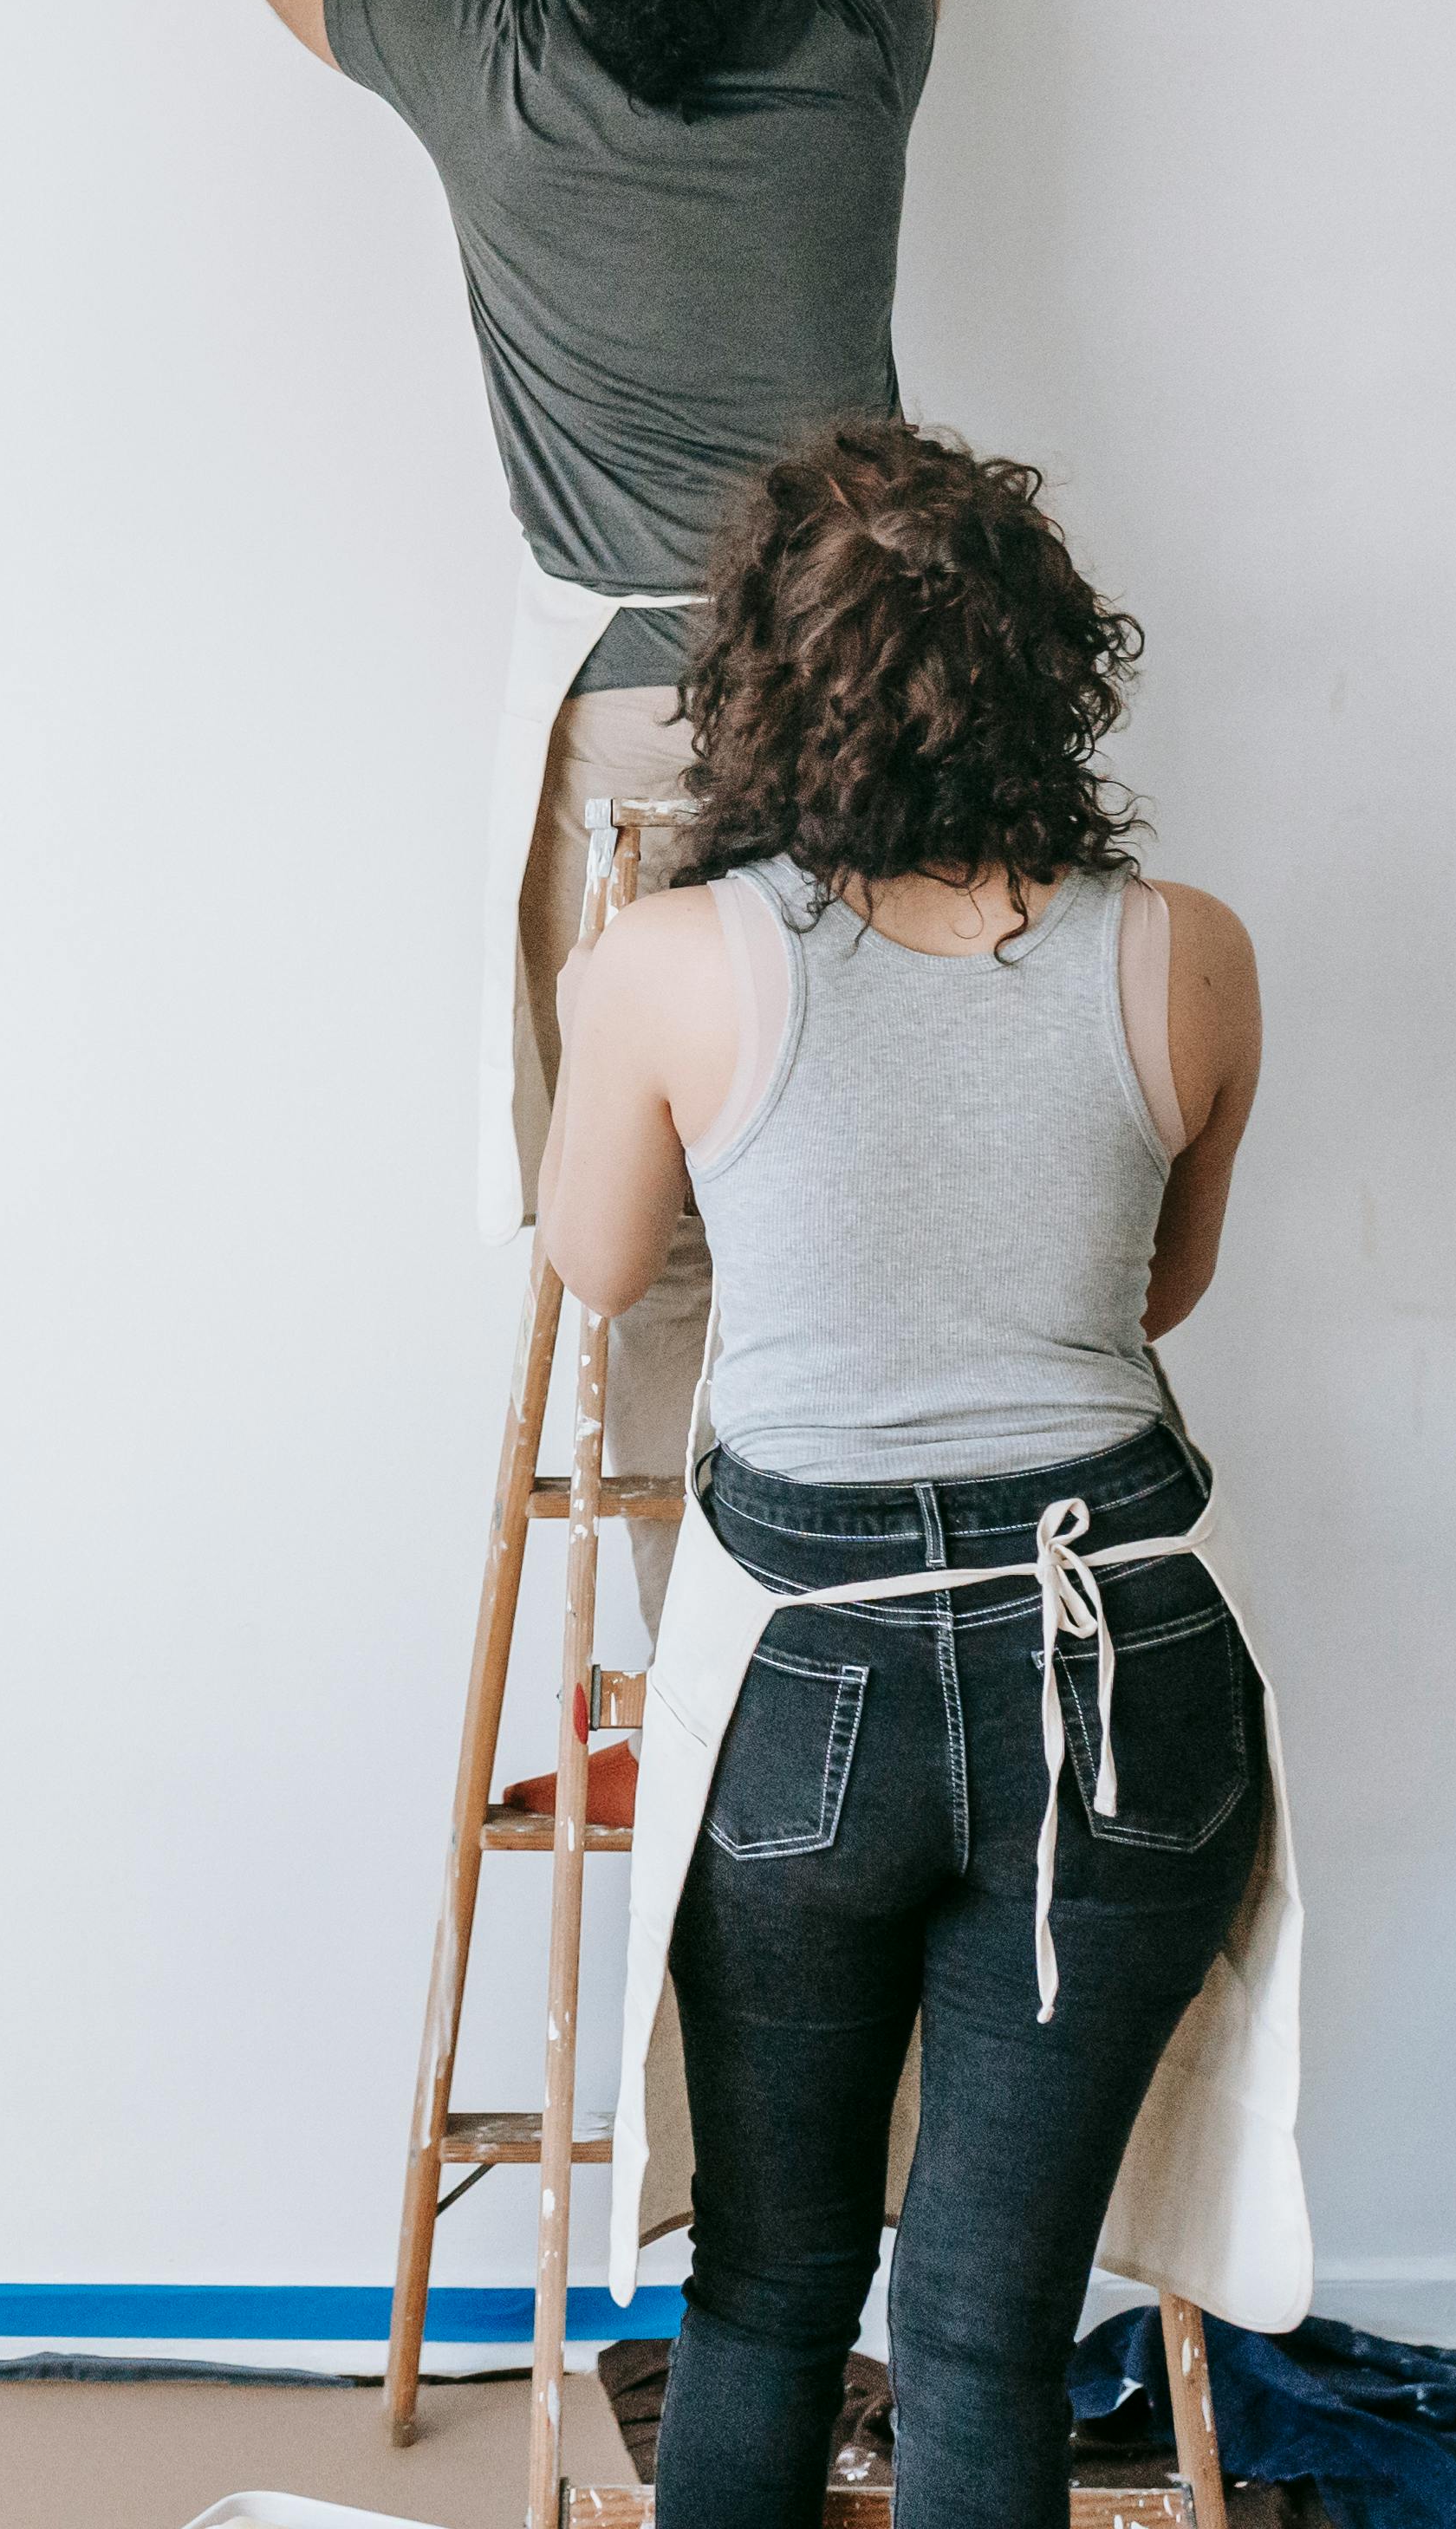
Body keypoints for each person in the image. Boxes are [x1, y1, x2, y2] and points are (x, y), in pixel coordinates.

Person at [12, 0, 954, 1675]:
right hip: (870, 736)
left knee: (653, 1231)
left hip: (637, 757)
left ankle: (701, 1660)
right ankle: (856, 1641)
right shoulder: (850, 63)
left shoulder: (486, 62)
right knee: (840, 1206)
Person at [539, 416, 1303, 2529]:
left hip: (817, 1686)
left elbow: (601, 1264)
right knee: (982, 2331)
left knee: (774, 2292)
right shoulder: (1193, 949)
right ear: (1054, 661)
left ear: (757, 680)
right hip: (1121, 1678)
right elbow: (1154, 1289)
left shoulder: (672, 964)